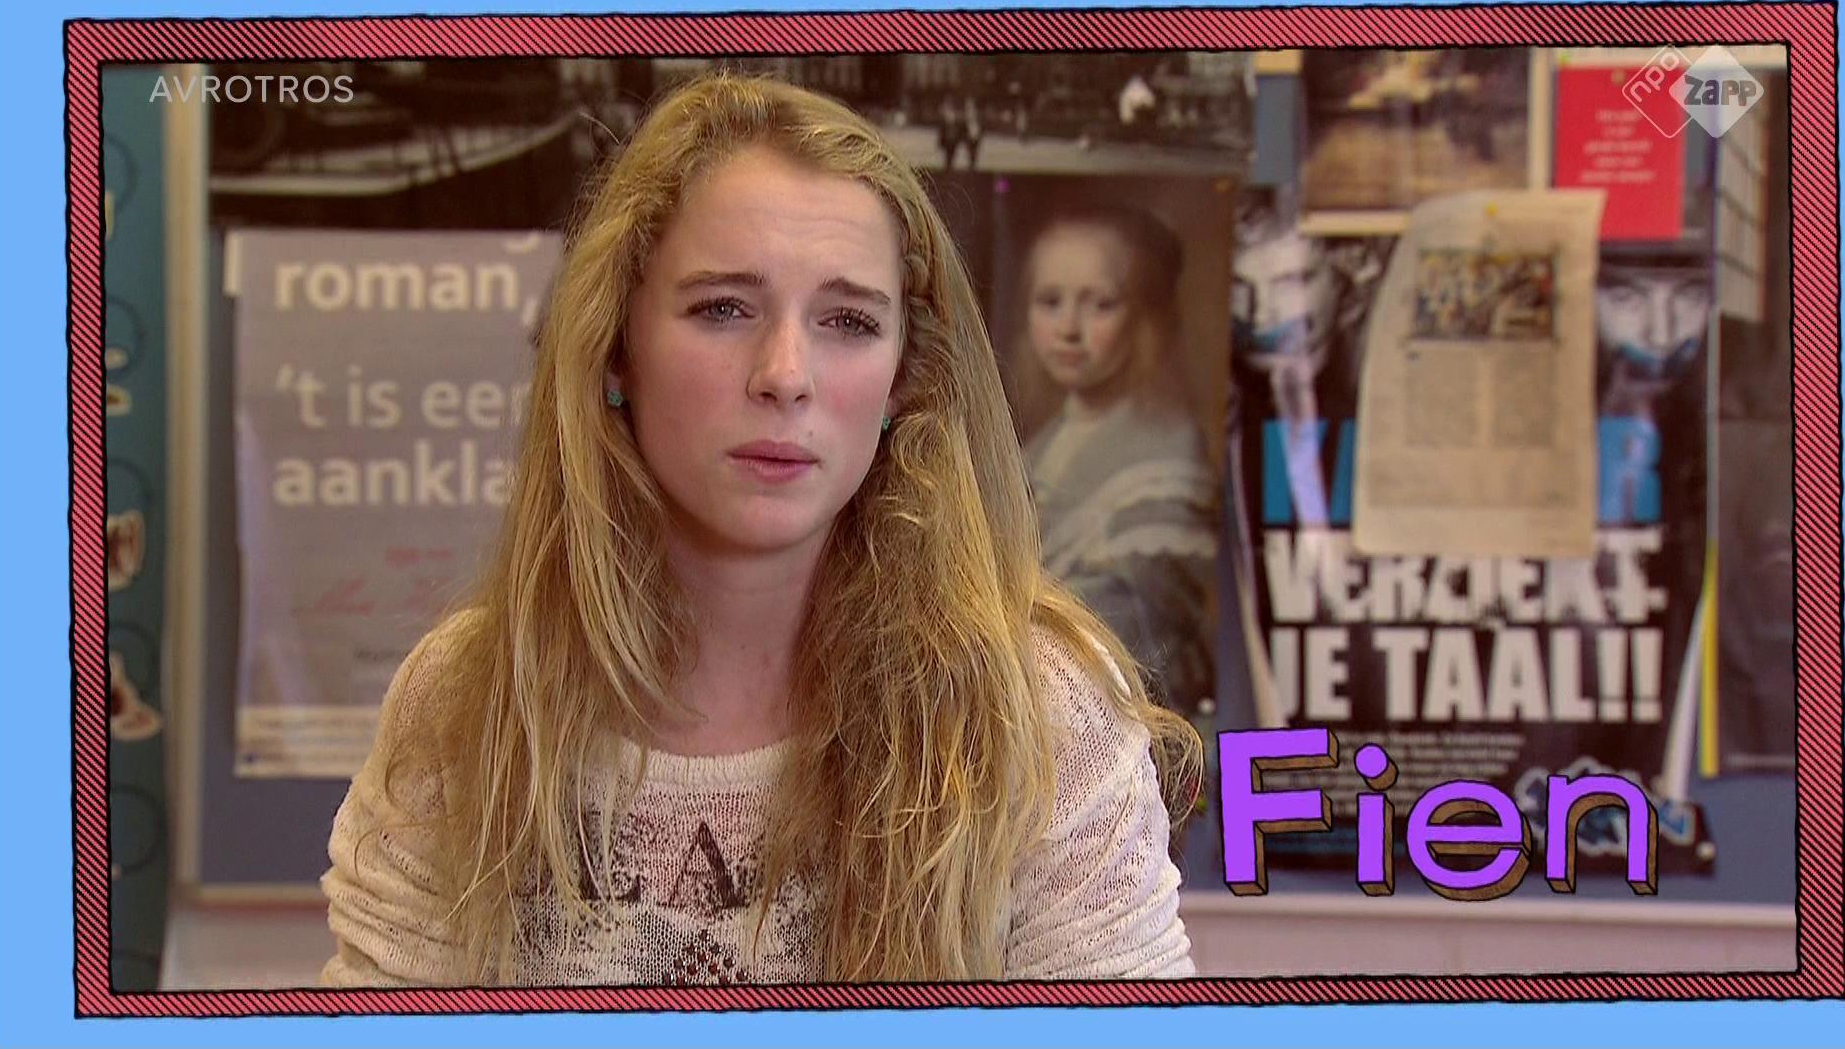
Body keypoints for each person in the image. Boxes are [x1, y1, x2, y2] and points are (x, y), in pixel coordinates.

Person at [319, 74, 1201, 987]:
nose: (785, 374)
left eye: (848, 321)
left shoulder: (1041, 715)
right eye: (723, 309)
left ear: (904, 380)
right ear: (615, 348)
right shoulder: (466, 697)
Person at [1008, 203, 1220, 730]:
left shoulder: (1167, 451)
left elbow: (1134, 625)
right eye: (1050, 302)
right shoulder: (1041, 442)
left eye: (1100, 305)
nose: (1068, 329)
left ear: (1143, 317)